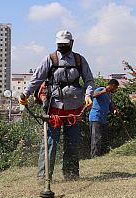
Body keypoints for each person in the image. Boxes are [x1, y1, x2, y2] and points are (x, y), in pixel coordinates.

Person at [18, 30, 94, 181]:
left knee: (72, 143)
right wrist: (25, 94)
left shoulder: (79, 60)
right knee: (50, 142)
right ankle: (44, 175)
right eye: (60, 44)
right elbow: (36, 79)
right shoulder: (50, 59)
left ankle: (71, 175)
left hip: (74, 108)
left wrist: (88, 95)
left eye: (65, 44)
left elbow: (89, 80)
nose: (62, 46)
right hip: (54, 107)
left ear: (71, 43)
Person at [89, 79, 119, 158]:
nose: (116, 90)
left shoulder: (109, 95)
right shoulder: (101, 89)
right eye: (115, 88)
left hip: (103, 119)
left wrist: (114, 110)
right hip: (96, 117)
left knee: (102, 138)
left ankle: (101, 155)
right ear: (112, 85)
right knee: (96, 138)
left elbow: (110, 106)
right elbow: (92, 95)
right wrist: (104, 91)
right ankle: (94, 156)